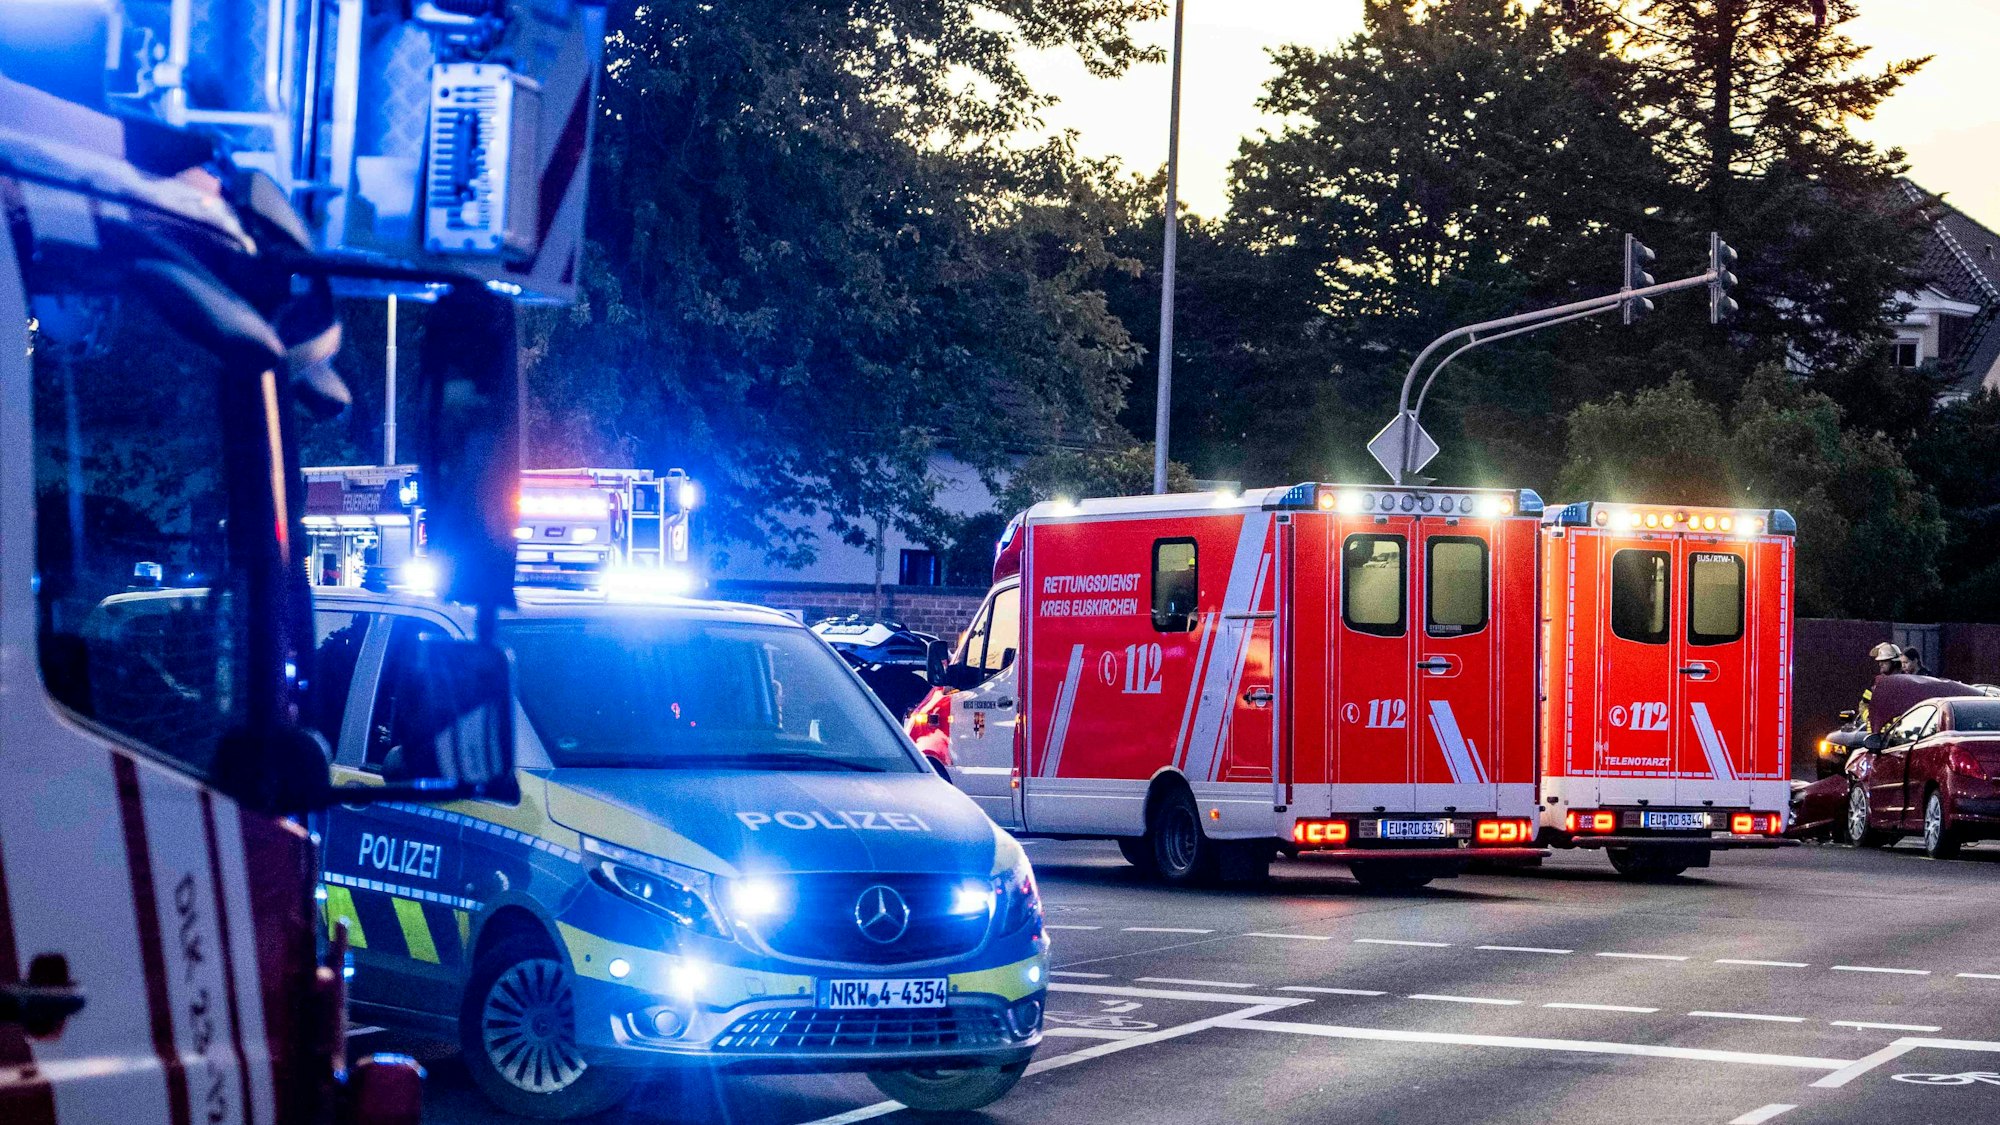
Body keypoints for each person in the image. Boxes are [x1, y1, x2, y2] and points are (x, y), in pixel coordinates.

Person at [1857, 642, 1903, 730]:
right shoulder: (1876, 683)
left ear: (1894, 662)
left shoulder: (1905, 682)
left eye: (1884, 661)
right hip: (1876, 733)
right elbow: (1864, 704)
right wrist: (1869, 717)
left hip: (1900, 733)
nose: (1880, 664)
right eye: (1879, 661)